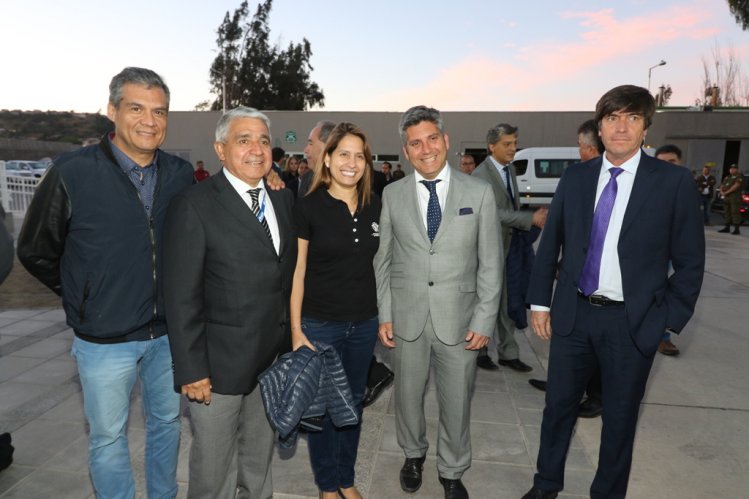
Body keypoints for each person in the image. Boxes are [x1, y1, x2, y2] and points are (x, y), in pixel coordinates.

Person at [17, 67, 193, 499]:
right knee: (109, 437)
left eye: (159, 111)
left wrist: (272, 181)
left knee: (167, 425)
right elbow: (35, 249)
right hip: (103, 341)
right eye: (136, 108)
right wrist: (85, 296)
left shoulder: (180, 174)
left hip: (169, 336)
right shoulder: (72, 172)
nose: (150, 120)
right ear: (112, 110)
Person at [522, 85, 704, 499]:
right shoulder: (576, 176)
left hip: (632, 322)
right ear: (599, 128)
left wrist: (666, 320)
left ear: (645, 129)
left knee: (620, 419)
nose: (621, 127)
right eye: (612, 118)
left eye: (632, 118)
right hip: (573, 315)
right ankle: (545, 485)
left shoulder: (673, 182)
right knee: (557, 410)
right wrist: (539, 302)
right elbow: (551, 244)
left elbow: (691, 262)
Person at [163, 106, 296, 499]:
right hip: (217, 369)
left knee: (258, 455)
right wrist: (191, 369)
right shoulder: (195, 204)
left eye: (263, 140)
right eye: (244, 140)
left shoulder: (282, 200)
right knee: (213, 465)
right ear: (221, 150)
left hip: (271, 360)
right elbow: (180, 294)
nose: (256, 149)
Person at [375, 105, 501, 499]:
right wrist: (386, 312)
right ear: (406, 150)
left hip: (460, 320)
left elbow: (491, 263)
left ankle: (452, 470)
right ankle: (413, 454)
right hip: (407, 318)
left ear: (446, 141)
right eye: (415, 143)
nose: (425, 148)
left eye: (432, 138)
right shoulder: (393, 194)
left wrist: (484, 320)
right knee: (408, 398)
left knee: (457, 401)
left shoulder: (478, 192)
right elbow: (385, 259)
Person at [290, 122, 381, 499]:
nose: (352, 162)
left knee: (352, 404)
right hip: (319, 324)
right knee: (324, 408)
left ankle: (347, 479)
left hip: (363, 324)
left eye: (359, 156)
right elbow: (297, 272)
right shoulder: (309, 206)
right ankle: (328, 485)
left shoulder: (377, 203)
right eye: (343, 153)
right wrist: (296, 331)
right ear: (327, 159)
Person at [528, 119, 604, 419]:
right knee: (568, 342)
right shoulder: (576, 178)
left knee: (598, 352)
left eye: (580, 146)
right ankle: (563, 385)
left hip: (608, 297)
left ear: (589, 147)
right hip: (573, 287)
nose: (579, 151)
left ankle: (596, 396)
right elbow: (562, 235)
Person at [473, 124, 547, 373]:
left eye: (515, 143)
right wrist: (529, 219)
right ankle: (479, 351)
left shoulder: (509, 170)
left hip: (509, 248)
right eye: (507, 144)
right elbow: (492, 212)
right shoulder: (481, 175)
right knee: (486, 301)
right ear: (491, 146)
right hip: (488, 249)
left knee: (508, 300)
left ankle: (508, 352)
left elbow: (510, 206)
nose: (513, 149)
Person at [654, 144, 688, 356]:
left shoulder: (683, 187)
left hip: (671, 250)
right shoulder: (644, 186)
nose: (666, 167)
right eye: (661, 162)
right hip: (645, 252)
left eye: (671, 162)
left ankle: (663, 336)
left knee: (664, 293)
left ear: (680, 163)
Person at [299, 120, 336, 197]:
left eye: (311, 143)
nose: (305, 150)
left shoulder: (345, 181)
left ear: (327, 146)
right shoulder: (306, 179)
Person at [718, 163, 743, 235]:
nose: (731, 170)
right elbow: (722, 185)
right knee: (727, 212)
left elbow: (736, 186)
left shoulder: (739, 176)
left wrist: (726, 192)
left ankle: (736, 229)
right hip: (727, 197)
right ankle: (727, 227)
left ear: (736, 169)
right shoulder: (727, 177)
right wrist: (721, 191)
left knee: (735, 212)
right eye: (731, 168)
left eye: (733, 168)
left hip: (734, 197)